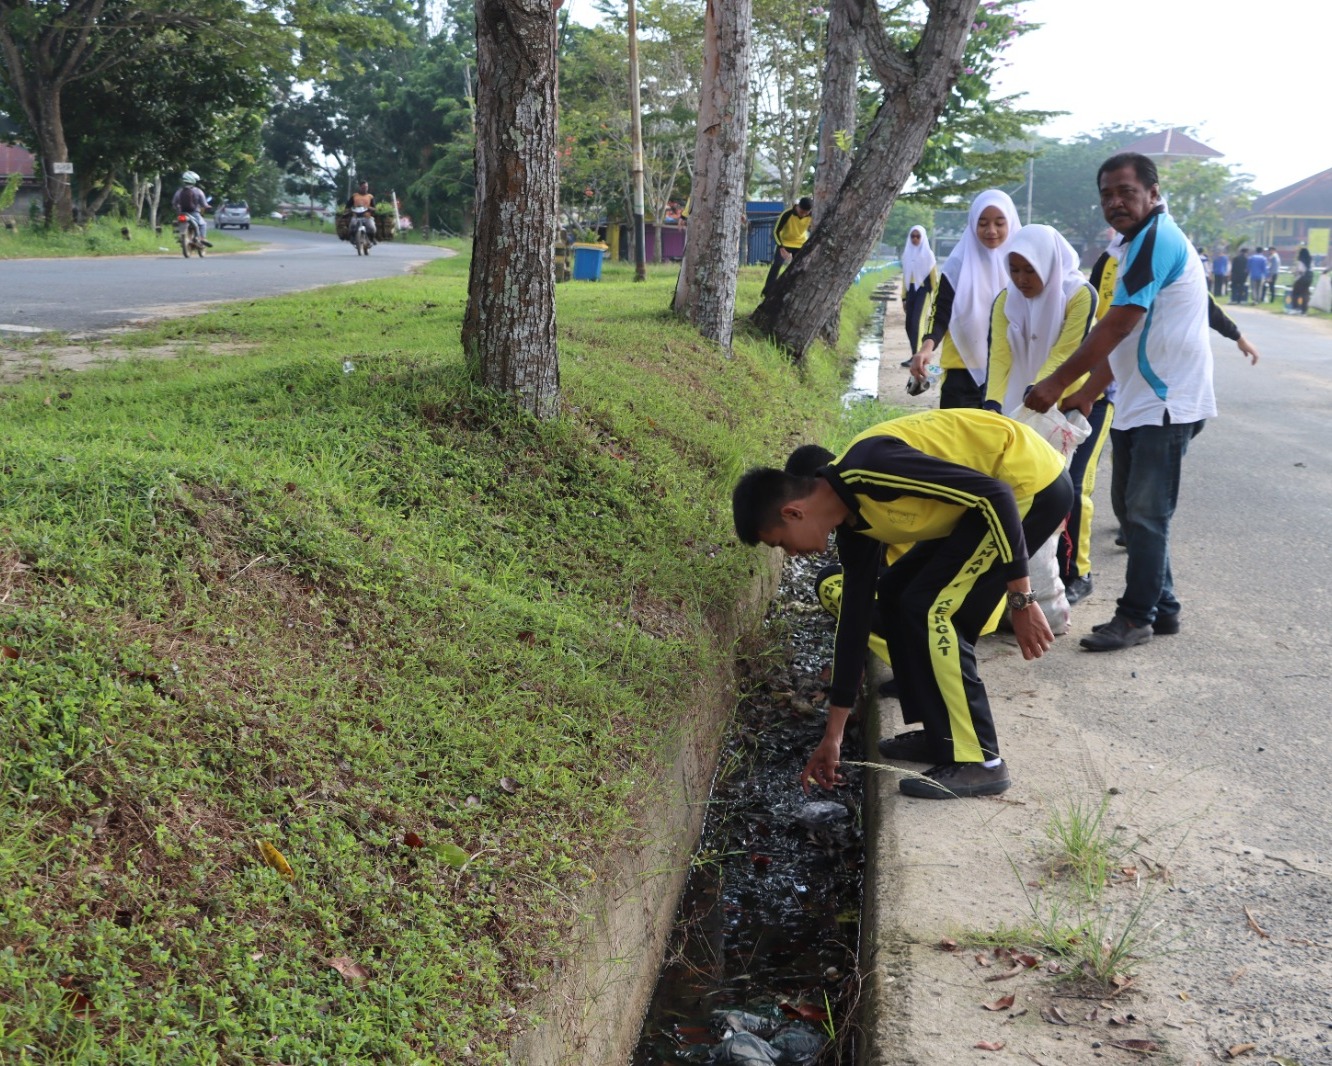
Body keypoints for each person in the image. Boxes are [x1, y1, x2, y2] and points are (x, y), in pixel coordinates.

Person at [732, 409, 1073, 799]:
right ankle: (943, 736)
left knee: (930, 608)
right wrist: (833, 736)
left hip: (1027, 488)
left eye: (781, 543)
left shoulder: (870, 468)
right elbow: (854, 622)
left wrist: (1022, 599)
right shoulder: (853, 523)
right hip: (988, 504)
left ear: (793, 512)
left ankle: (981, 761)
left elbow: (995, 494)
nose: (791, 553)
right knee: (896, 595)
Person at [1025, 152, 1253, 652]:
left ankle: (1135, 617)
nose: (1115, 202)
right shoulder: (1132, 244)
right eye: (1106, 194)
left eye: (1125, 192)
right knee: (1131, 511)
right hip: (1140, 399)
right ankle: (1162, 607)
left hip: (1167, 401)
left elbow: (1120, 322)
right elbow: (1132, 332)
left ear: (1153, 193)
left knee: (1146, 515)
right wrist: (1088, 392)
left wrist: (1057, 382)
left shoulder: (1156, 240)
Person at [984, 225, 1100, 606]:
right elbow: (1000, 356)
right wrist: (993, 405)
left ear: (1048, 264)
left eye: (1029, 270)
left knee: (1072, 487)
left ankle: (1078, 572)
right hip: (1027, 404)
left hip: (1076, 403)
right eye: (1014, 270)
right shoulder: (1006, 300)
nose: (1021, 279)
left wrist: (1041, 389)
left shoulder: (1079, 294)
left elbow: (1067, 352)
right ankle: (1030, 577)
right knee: (1025, 490)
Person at [910, 190, 1022, 409]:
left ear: (1010, 222)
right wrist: (926, 348)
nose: (991, 231)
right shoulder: (957, 266)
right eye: (983, 223)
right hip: (961, 369)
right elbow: (941, 312)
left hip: (1009, 369)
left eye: (999, 223)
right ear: (972, 224)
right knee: (956, 430)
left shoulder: (1021, 266)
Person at [900, 225, 938, 365]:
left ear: (923, 238)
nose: (915, 239)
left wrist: (936, 298)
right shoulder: (907, 255)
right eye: (913, 236)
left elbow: (934, 278)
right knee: (909, 324)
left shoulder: (928, 255)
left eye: (918, 236)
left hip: (923, 291)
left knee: (917, 322)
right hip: (911, 291)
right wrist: (904, 298)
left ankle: (917, 356)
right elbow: (905, 278)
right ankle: (914, 354)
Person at [762, 196, 813, 297]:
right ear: (798, 207)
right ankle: (767, 290)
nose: (803, 215)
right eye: (802, 212)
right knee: (777, 264)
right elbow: (776, 232)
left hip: (800, 244)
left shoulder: (812, 215)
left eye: (806, 213)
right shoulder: (787, 213)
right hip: (785, 243)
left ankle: (795, 289)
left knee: (800, 266)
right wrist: (781, 247)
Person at [171, 170, 213, 247]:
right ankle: (202, 238)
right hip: (194, 213)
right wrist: (208, 207)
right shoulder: (198, 191)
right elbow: (204, 204)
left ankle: (181, 237)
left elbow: (174, 203)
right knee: (203, 224)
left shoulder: (179, 191)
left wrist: (177, 210)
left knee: (178, 223)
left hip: (182, 213)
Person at [1288, 246, 1313, 314]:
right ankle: (1304, 310)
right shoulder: (1310, 261)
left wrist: (1293, 271)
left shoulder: (1300, 261)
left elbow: (1300, 270)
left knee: (1295, 293)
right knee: (1305, 295)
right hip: (1309, 279)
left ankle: (1295, 308)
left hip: (1300, 279)